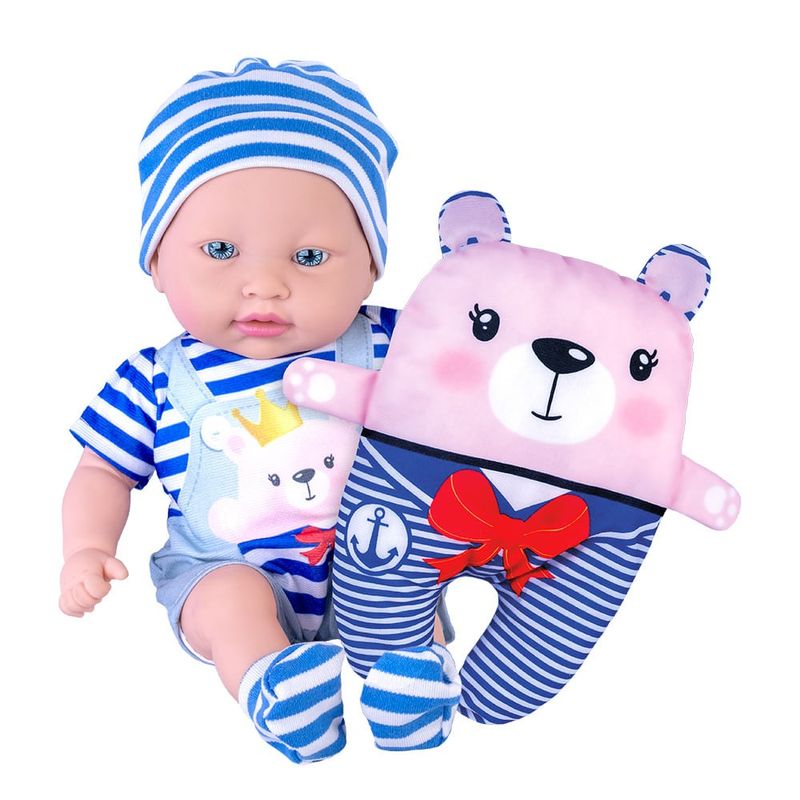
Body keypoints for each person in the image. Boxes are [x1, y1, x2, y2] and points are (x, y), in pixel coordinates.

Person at [59, 57, 454, 765]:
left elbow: (474, 403)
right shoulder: (155, 377)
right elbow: (101, 471)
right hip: (223, 563)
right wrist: (86, 547)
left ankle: (411, 693)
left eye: (310, 257)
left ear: (371, 266)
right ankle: (275, 687)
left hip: (379, 559)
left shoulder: (393, 344)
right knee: (231, 603)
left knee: (400, 597)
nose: (265, 284)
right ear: (157, 262)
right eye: (220, 250)